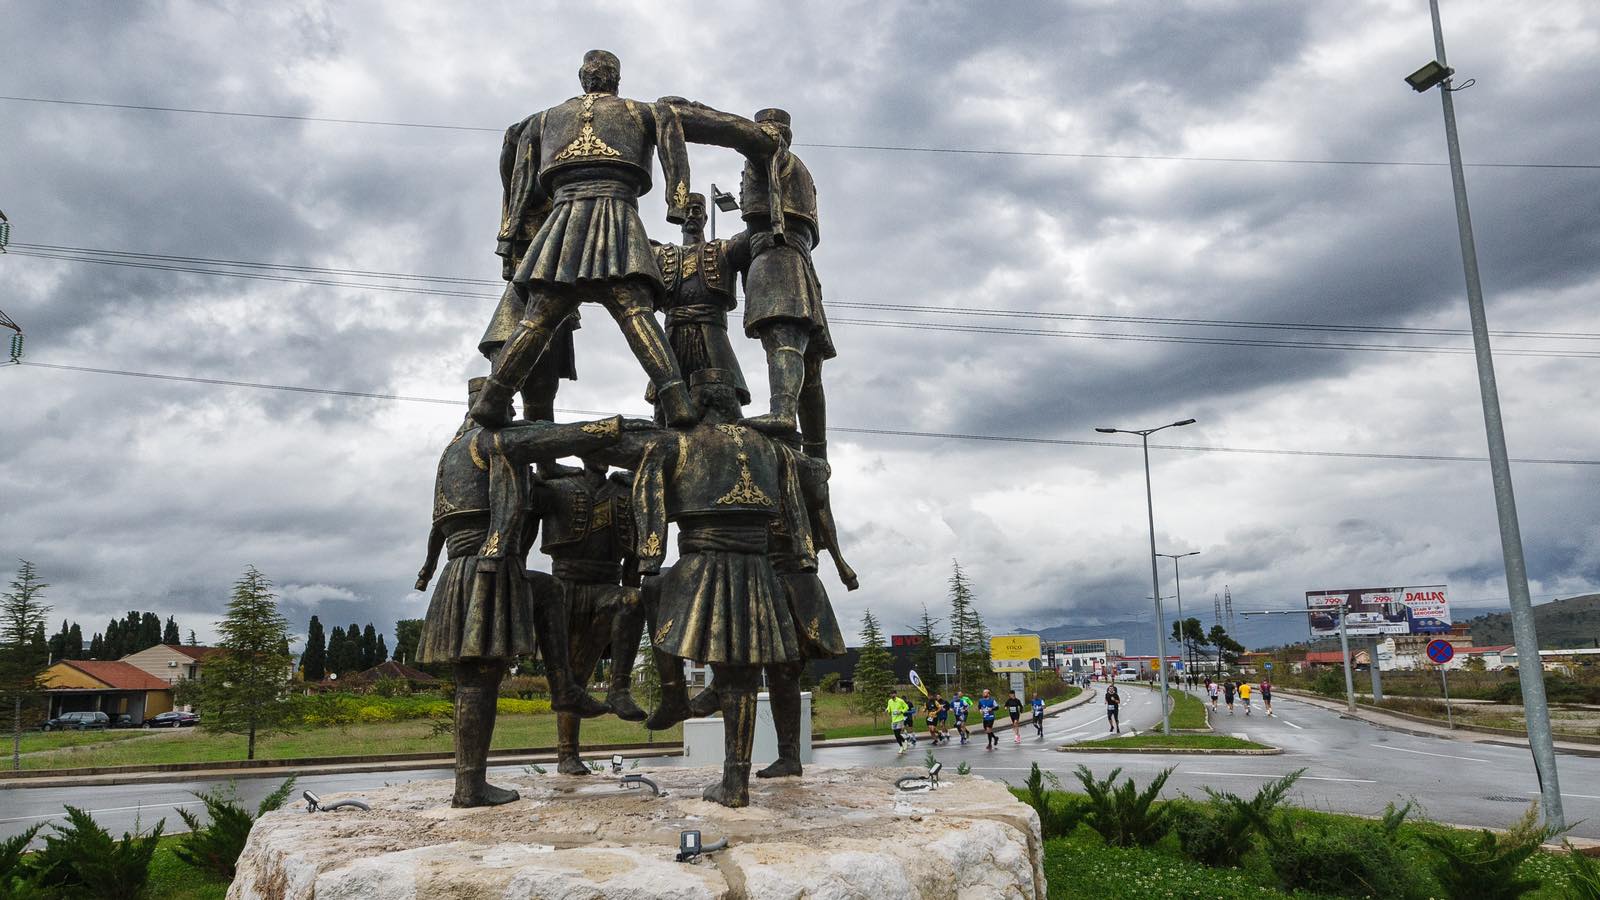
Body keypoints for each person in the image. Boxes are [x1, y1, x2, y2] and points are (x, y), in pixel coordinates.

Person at [471, 51, 780, 430]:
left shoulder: (540, 121)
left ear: (582, 77)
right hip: (615, 215)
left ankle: (493, 398)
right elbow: (686, 142)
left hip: (562, 222)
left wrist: (511, 228)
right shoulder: (644, 112)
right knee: (635, 310)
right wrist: (680, 201)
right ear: (616, 80)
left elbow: (512, 163)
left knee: (537, 318)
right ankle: (676, 399)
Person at [413, 379, 627, 806]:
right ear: (488, 408)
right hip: (487, 567)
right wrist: (612, 428)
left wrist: (428, 568)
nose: (511, 413)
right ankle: (471, 785)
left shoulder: (451, 453)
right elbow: (562, 437)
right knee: (480, 679)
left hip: (459, 569)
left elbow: (438, 523)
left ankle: (474, 779)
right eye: (507, 407)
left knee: (481, 670)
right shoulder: (492, 443)